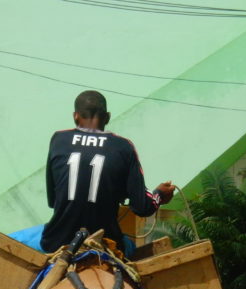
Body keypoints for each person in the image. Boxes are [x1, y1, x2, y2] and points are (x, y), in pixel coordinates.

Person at [40, 90, 175, 254]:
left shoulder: (58, 139)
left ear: (75, 116)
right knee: (131, 247)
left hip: (57, 241)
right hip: (107, 243)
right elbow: (142, 207)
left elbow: (53, 201)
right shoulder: (123, 147)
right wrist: (159, 194)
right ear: (108, 117)